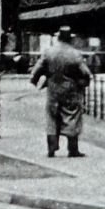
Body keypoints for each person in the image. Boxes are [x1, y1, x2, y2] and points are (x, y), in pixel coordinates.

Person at [30, 26, 93, 158]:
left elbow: (36, 71)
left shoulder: (48, 52)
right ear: (70, 38)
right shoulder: (75, 54)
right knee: (72, 117)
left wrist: (36, 82)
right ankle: (72, 149)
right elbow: (86, 73)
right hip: (71, 90)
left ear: (58, 37)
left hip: (53, 89)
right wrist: (83, 84)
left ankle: (52, 148)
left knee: (52, 117)